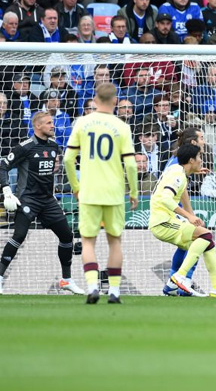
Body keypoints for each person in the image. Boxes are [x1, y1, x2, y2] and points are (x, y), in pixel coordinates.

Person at [63, 83, 138, 304]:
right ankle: (114, 291)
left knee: (88, 242)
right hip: (114, 192)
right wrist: (133, 191)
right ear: (115, 101)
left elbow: (68, 159)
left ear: (95, 100)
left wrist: (76, 187)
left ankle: (92, 287)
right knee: (115, 241)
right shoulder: (122, 127)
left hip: (89, 191)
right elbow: (132, 165)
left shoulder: (82, 122)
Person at [0, 112, 83, 296]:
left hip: (47, 200)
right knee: (19, 236)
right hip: (27, 199)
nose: (53, 126)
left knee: (67, 237)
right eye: (48, 123)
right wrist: (7, 192)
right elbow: (3, 166)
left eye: (52, 123)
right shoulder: (25, 147)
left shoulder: (54, 146)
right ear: (38, 126)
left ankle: (66, 280)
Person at [148, 143, 216, 298]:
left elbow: (178, 186)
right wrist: (189, 216)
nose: (201, 160)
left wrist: (194, 171)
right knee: (205, 235)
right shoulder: (178, 176)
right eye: (199, 157)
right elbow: (165, 199)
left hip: (166, 220)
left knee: (208, 242)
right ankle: (179, 277)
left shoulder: (177, 170)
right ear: (191, 160)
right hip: (162, 222)